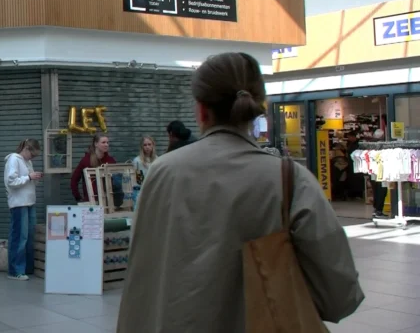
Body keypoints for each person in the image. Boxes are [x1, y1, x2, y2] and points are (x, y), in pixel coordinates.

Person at [116, 52, 364, 332]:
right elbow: (340, 295)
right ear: (258, 107)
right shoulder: (290, 180)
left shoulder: (161, 173)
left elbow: (140, 279)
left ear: (200, 110)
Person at [4, 138, 42, 281]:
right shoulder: (14, 159)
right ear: (26, 149)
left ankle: (26, 267)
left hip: (29, 202)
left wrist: (34, 177)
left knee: (29, 236)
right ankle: (15, 270)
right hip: (19, 203)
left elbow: (27, 180)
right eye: (32, 155)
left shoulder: (27, 161)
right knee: (20, 237)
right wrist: (29, 177)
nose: (33, 158)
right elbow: (11, 181)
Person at [69, 133, 116, 203]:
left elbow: (116, 180)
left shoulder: (111, 160)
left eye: (107, 142)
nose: (106, 145)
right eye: (103, 142)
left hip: (109, 201)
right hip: (91, 201)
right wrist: (78, 197)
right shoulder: (86, 160)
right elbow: (74, 180)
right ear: (96, 144)